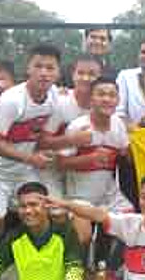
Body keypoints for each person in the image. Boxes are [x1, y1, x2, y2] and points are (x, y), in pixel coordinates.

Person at [0, 43, 61, 263]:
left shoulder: (54, 96)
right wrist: (31, 158)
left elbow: (42, 135)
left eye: (50, 68)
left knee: (44, 212)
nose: (44, 72)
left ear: (58, 72)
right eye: (38, 66)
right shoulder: (12, 100)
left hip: (24, 171)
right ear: (28, 69)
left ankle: (34, 263)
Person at [53, 76, 133, 243]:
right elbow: (59, 164)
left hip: (110, 197)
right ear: (91, 99)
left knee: (131, 226)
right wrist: (89, 158)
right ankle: (77, 268)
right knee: (84, 236)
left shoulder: (118, 125)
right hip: (79, 197)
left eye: (112, 95)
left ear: (118, 100)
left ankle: (108, 268)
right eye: (101, 94)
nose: (106, 99)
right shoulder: (78, 127)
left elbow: (126, 154)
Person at [39, 54, 103, 199]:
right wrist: (72, 140)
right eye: (80, 73)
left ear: (100, 77)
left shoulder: (104, 106)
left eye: (92, 74)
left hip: (83, 173)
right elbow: (42, 142)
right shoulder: (60, 103)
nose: (85, 78)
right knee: (57, 211)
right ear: (73, 75)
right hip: (51, 171)